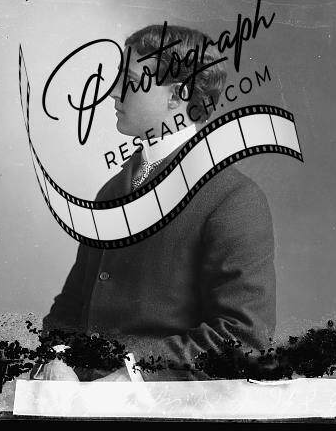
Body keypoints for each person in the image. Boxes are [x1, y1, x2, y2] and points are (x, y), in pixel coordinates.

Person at [40, 24, 276, 381]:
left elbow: (243, 338)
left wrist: (134, 376)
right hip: (83, 397)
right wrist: (59, 359)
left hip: (166, 401)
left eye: (131, 80)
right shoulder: (112, 191)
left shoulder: (232, 198)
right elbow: (71, 307)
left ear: (177, 96)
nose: (113, 92)